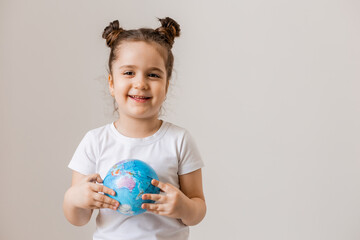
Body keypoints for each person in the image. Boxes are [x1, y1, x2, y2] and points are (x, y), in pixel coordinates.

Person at [63, 17, 206, 240]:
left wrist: (183, 207)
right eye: (129, 73)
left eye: (153, 74)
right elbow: (78, 219)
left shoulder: (179, 140)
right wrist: (74, 199)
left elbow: (197, 210)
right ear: (111, 83)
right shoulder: (95, 141)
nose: (140, 83)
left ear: (166, 85)